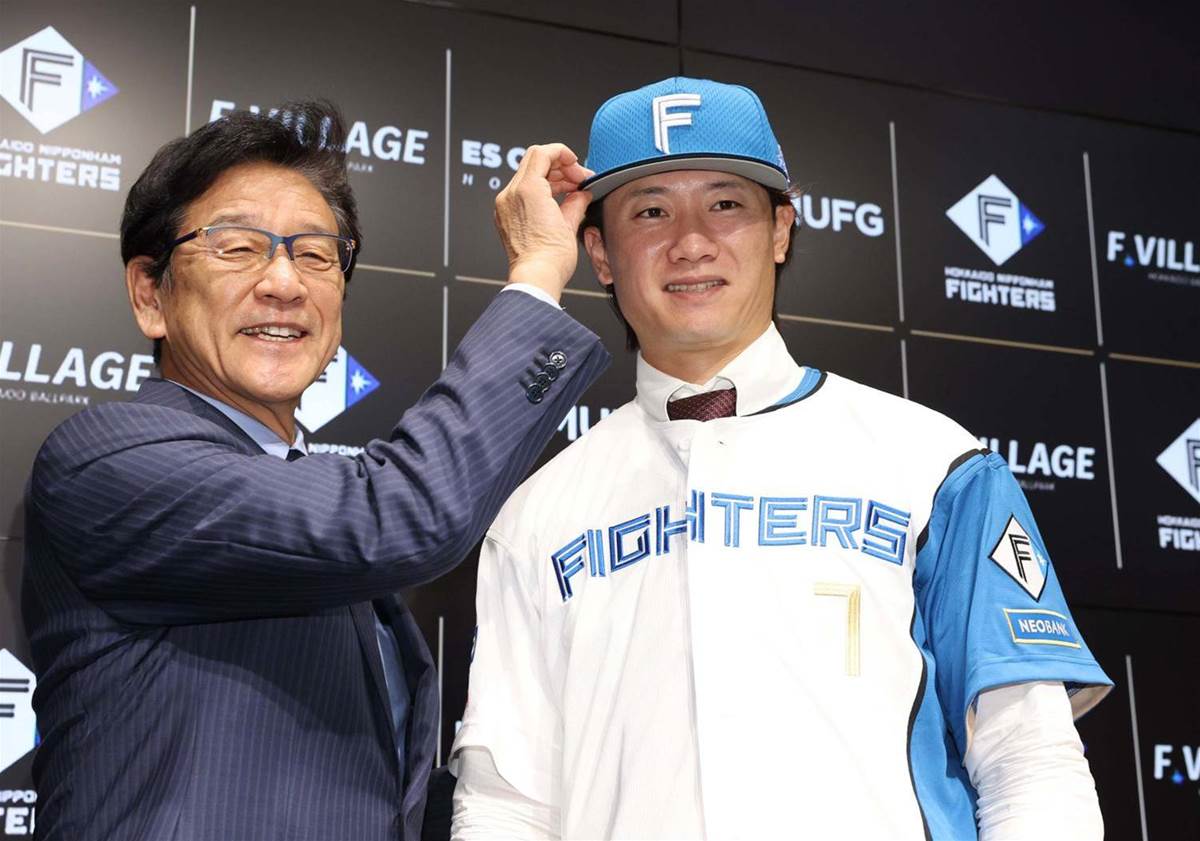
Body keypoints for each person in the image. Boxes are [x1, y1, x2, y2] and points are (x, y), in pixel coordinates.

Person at [449, 77, 1112, 840]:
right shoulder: (536, 513)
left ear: (781, 231)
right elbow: (506, 805)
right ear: (597, 251)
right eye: (651, 211)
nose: (691, 241)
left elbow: (1030, 763)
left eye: (726, 203)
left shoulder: (933, 464)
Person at [22, 100, 608, 841]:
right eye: (237, 247)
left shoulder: (318, 507)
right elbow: (402, 515)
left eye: (315, 254)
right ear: (150, 295)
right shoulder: (106, 459)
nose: (283, 282)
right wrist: (538, 271)